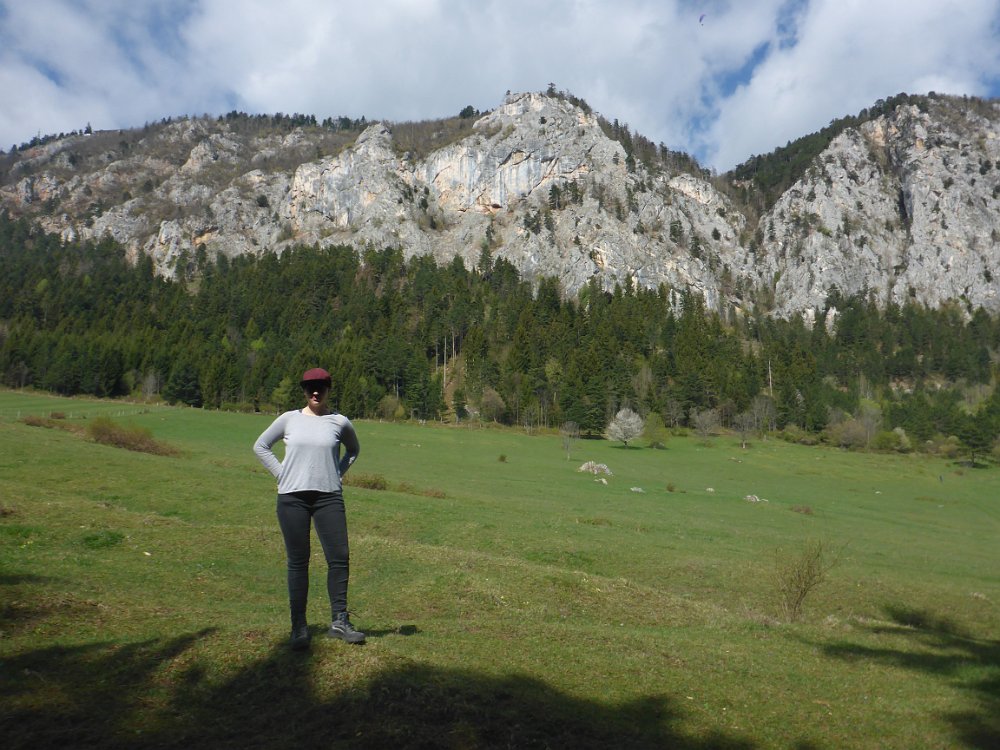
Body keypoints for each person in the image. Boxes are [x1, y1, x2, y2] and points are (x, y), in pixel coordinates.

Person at [253, 367, 364, 649]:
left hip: (329, 497)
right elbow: (261, 446)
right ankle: (299, 627)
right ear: (304, 390)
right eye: (310, 387)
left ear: (328, 390)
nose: (316, 392)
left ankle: (340, 621)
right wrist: (282, 474)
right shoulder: (288, 419)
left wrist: (337, 472)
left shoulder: (340, 422)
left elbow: (353, 450)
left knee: (339, 557)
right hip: (292, 498)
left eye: (321, 387)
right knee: (298, 561)